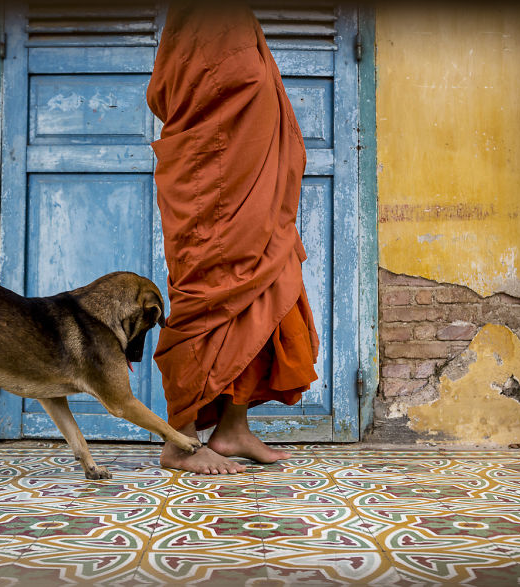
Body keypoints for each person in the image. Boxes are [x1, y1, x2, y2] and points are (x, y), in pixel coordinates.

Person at [147, 1, 318, 474]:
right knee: (210, 294)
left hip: (251, 186)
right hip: (211, 183)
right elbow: (190, 96)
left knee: (261, 289)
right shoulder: (196, 23)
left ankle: (232, 430)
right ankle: (179, 441)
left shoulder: (239, 23)